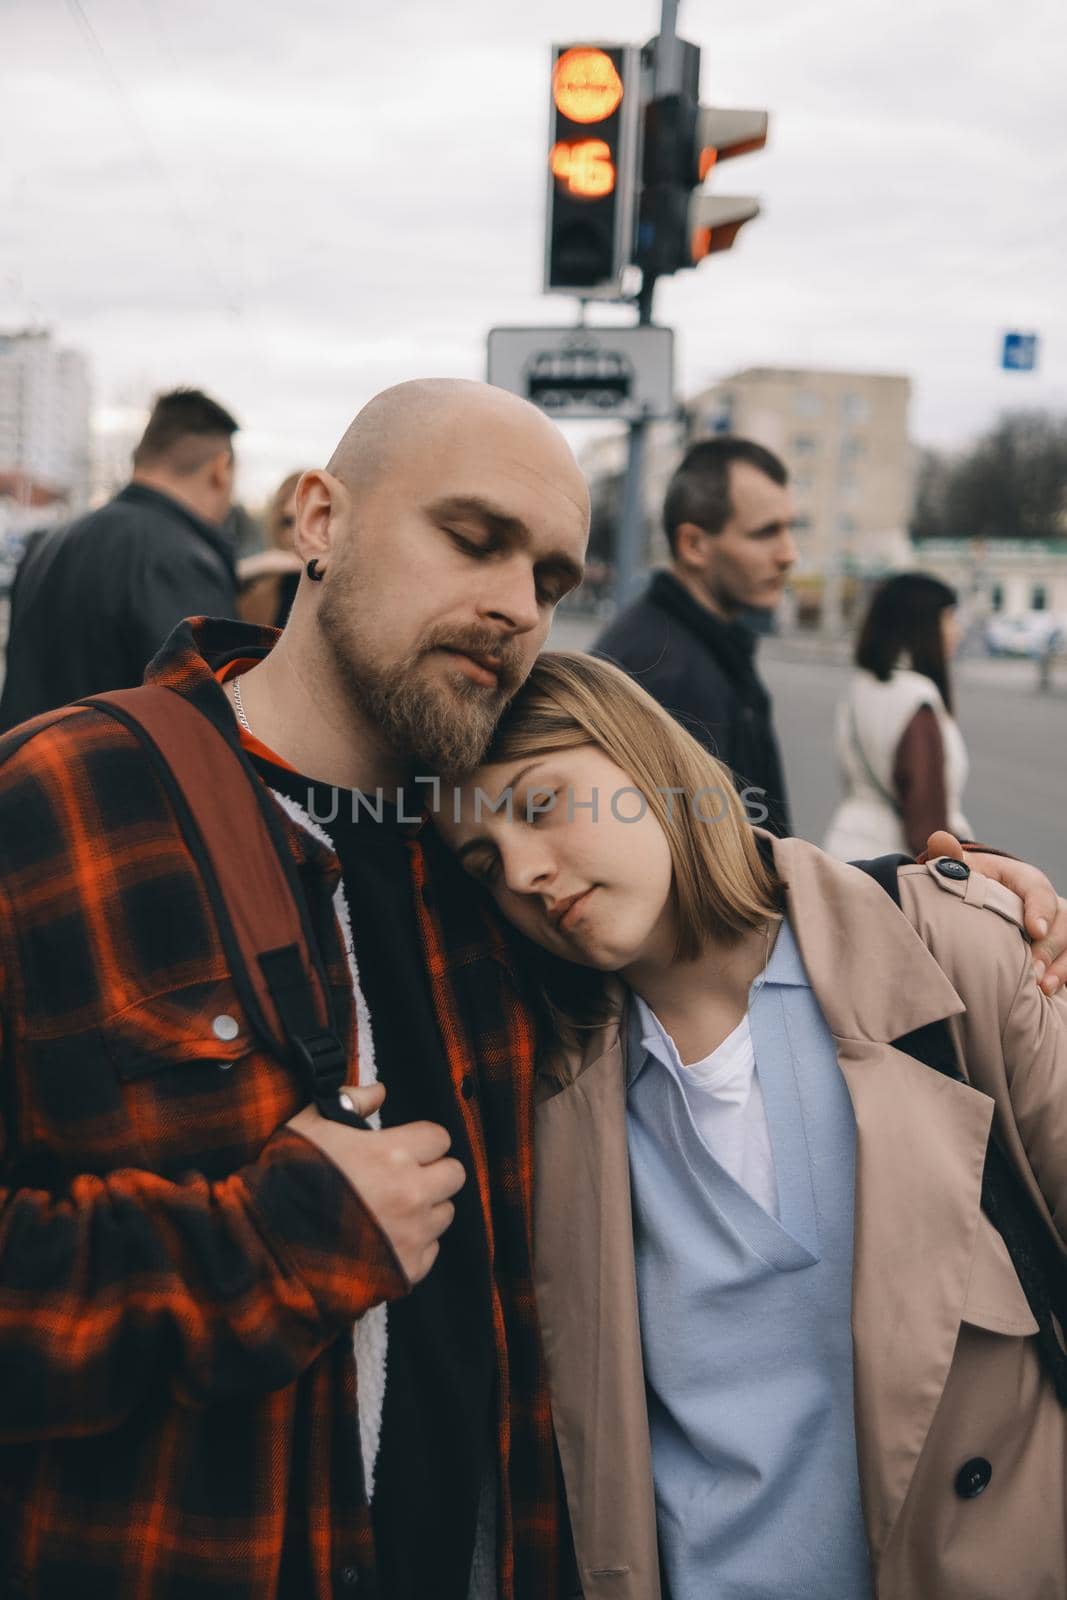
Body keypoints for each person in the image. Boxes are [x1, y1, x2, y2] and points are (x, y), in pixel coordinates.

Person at [0, 379, 1062, 1600]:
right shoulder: (63, 802)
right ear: (318, 520)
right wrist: (267, 1244)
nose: (514, 605)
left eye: (552, 580)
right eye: (472, 539)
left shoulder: (489, 880)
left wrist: (930, 895)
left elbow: (709, 918)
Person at [440, 650, 1067, 1600]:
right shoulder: (539, 1092)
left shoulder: (949, 946)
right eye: (482, 863)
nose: (523, 872)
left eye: (539, 804)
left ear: (643, 761)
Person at [0, 388, 240, 731]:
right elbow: (202, 721)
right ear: (221, 468)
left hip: (28, 772)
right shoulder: (180, 556)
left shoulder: (49, 542)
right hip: (115, 780)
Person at [594, 436, 797, 836]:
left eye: (790, 528)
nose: (788, 553)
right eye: (765, 533)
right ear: (694, 544)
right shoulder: (664, 670)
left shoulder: (699, 644)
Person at [824, 572, 972, 860]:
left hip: (847, 847)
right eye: (949, 619)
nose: (957, 631)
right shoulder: (916, 697)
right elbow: (928, 828)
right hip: (896, 867)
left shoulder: (862, 685)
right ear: (922, 625)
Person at [236, 469, 306, 628]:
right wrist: (263, 563)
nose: (297, 534)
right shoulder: (261, 594)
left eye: (307, 517)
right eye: (288, 522)